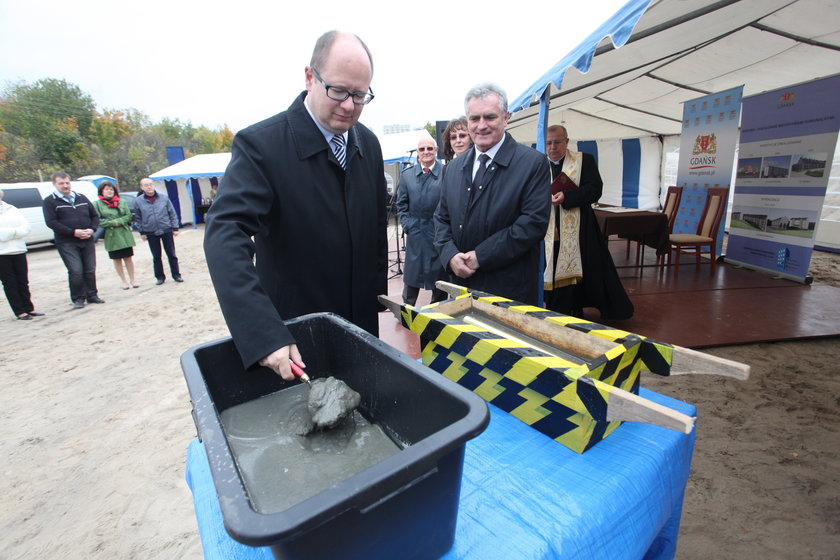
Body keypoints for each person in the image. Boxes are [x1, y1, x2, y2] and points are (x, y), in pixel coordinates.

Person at [204, 30, 387, 382]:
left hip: (362, 328)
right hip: (298, 338)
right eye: (338, 91)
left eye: (360, 95)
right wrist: (264, 334)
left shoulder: (369, 144)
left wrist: (376, 297)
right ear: (309, 77)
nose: (349, 105)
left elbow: (377, 227)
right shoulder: (261, 147)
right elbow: (224, 234)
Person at [434, 83, 550, 306]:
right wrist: (449, 255)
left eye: (490, 117)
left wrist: (480, 257)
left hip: (509, 292)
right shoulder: (453, 169)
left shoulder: (532, 164)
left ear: (506, 117)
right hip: (461, 287)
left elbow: (532, 224)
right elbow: (441, 218)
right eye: (474, 119)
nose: (481, 126)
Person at [542, 125, 634, 320]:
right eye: (548, 143)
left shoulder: (584, 161)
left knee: (586, 268)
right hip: (547, 228)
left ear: (566, 141)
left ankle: (574, 306)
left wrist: (566, 196)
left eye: (557, 142)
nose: (553, 147)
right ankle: (552, 306)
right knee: (549, 267)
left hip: (579, 227)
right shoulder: (538, 164)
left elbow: (594, 189)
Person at [396, 137, 448, 306]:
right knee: (412, 273)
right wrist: (407, 224)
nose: (426, 152)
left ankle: (438, 311)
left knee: (439, 274)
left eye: (429, 148)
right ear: (417, 152)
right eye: (422, 149)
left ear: (436, 150)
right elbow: (401, 203)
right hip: (416, 232)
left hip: (438, 232)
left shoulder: (446, 173)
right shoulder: (407, 175)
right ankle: (406, 308)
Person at [43, 172, 104, 309]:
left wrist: (92, 229)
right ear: (54, 184)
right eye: (61, 183)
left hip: (87, 238)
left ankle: (92, 295)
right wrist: (73, 232)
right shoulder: (50, 201)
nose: (65, 186)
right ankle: (78, 298)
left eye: (67, 183)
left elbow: (94, 215)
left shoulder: (81, 197)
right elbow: (51, 222)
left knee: (90, 269)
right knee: (76, 269)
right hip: (67, 242)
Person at [0, 189, 44, 320]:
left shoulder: (11, 209)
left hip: (19, 249)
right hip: (2, 253)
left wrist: (9, 233)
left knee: (23, 281)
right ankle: (19, 311)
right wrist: (15, 232)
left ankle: (29, 308)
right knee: (10, 283)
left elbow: (26, 227)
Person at [133, 178, 183, 285]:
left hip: (166, 229)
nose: (149, 187)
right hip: (151, 232)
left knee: (171, 254)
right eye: (146, 185)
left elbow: (172, 213)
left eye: (150, 184)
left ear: (154, 185)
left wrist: (175, 228)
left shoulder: (164, 198)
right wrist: (142, 232)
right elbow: (138, 218)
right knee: (156, 256)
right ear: (142, 187)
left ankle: (176, 275)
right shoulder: (138, 201)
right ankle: (160, 277)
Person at [93, 181, 138, 290]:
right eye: (107, 189)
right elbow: (97, 220)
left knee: (128, 257)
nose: (109, 191)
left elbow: (128, 216)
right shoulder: (97, 204)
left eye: (111, 189)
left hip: (124, 232)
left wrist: (119, 221)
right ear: (101, 191)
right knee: (117, 258)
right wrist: (112, 223)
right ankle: (124, 281)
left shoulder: (121, 202)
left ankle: (133, 279)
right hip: (111, 234)